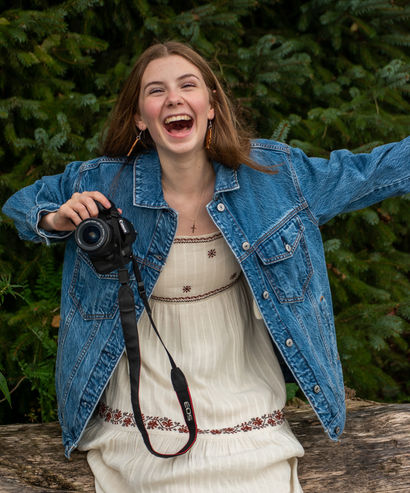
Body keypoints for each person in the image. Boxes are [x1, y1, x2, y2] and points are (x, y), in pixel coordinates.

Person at [2, 41, 409, 493]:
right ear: (140, 118)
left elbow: (370, 173)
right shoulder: (101, 181)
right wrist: (54, 219)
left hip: (241, 382)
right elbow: (21, 205)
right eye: (156, 90)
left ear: (211, 105)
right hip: (147, 388)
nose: (173, 98)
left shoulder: (273, 175)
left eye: (187, 85)